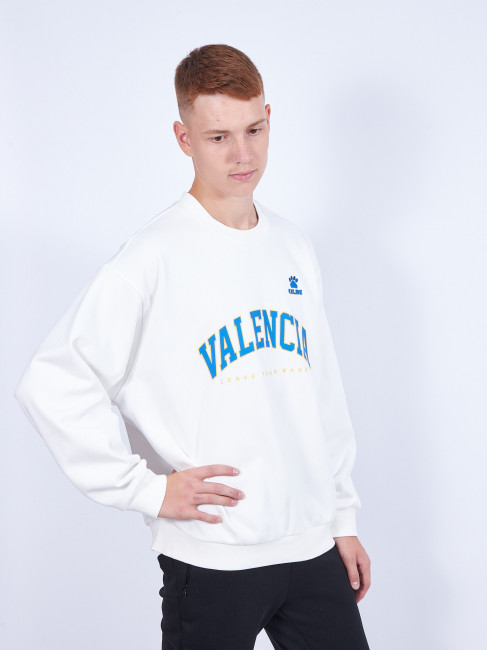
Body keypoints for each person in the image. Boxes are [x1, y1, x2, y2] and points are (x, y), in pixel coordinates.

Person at [15, 44, 371, 649]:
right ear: (184, 138)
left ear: (269, 118)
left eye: (254, 130)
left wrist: (342, 517)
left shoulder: (292, 247)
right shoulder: (152, 258)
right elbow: (52, 382)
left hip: (311, 549)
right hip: (211, 558)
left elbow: (322, 394)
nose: (242, 154)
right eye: (218, 137)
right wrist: (147, 489)